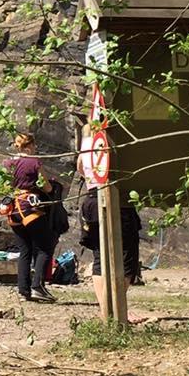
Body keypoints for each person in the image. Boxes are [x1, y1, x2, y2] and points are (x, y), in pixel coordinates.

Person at [77, 124, 144, 316]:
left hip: (91, 199)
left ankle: (106, 310)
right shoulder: (111, 145)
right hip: (116, 200)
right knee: (127, 258)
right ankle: (114, 308)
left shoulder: (86, 146)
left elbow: (81, 169)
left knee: (100, 257)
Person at [2, 133, 55, 302]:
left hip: (13, 209)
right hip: (28, 207)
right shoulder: (33, 161)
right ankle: (37, 286)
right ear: (30, 145)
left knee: (25, 249)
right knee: (46, 246)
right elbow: (46, 187)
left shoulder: (8, 163)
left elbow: (4, 186)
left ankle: (23, 289)